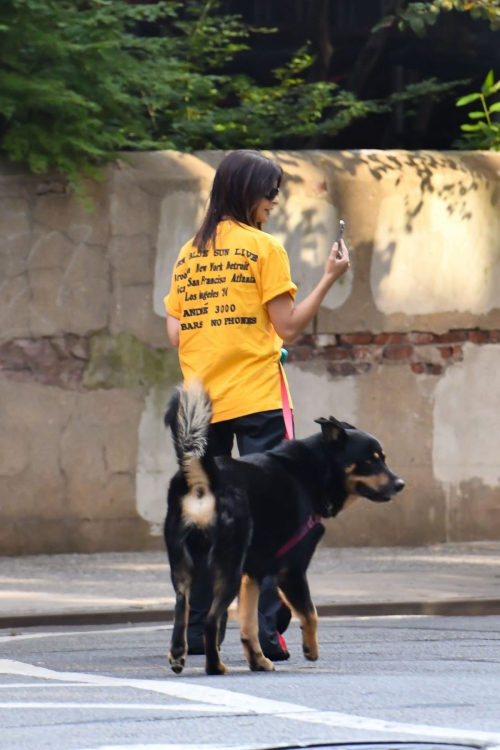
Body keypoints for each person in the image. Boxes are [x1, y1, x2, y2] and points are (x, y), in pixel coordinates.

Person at [164, 149, 350, 659]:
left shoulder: (189, 254)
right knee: (270, 516)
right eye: (270, 191)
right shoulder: (263, 249)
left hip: (201, 403)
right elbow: (287, 324)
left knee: (202, 513)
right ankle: (264, 631)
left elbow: (178, 333)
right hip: (256, 397)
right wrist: (330, 277)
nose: (274, 201)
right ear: (247, 192)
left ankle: (204, 630)